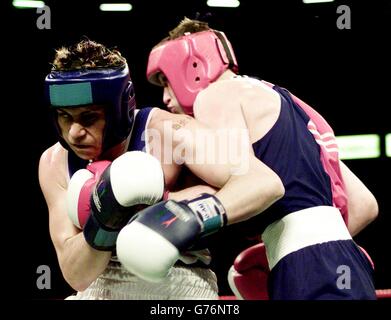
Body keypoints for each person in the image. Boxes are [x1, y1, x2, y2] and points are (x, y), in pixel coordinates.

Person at [144, 18, 379, 299]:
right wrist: (281, 248)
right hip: (344, 261)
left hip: (307, 267)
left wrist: (163, 206)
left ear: (191, 66)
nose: (165, 98)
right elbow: (364, 205)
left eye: (166, 82)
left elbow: (242, 186)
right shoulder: (286, 102)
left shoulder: (216, 96)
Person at [39, 39, 283, 299]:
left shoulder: (169, 132)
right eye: (64, 116)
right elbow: (76, 275)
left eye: (89, 117)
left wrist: (182, 214)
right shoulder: (54, 162)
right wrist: (105, 217)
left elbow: (263, 182)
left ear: (120, 108)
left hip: (180, 282)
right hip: (98, 287)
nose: (74, 133)